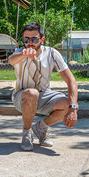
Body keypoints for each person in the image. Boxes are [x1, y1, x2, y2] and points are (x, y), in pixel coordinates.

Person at [7, 22, 78, 151]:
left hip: (44, 95)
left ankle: (41, 128)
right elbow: (11, 60)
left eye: (34, 39)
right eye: (26, 39)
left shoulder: (52, 53)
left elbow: (71, 80)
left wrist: (73, 108)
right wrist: (24, 54)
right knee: (32, 93)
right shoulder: (19, 52)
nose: (30, 43)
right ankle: (26, 133)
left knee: (70, 103)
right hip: (21, 97)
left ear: (42, 39)